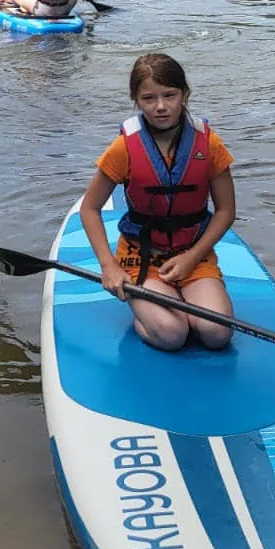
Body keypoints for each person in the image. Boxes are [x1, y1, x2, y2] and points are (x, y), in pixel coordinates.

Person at [78, 52, 236, 352]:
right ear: (136, 100)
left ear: (184, 95)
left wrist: (192, 257)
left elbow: (226, 211)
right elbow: (90, 208)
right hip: (142, 260)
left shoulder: (210, 145)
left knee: (216, 334)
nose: (161, 106)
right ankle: (149, 313)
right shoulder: (123, 149)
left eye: (170, 95)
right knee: (172, 335)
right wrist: (109, 266)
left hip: (194, 255)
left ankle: (184, 301)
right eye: (149, 98)